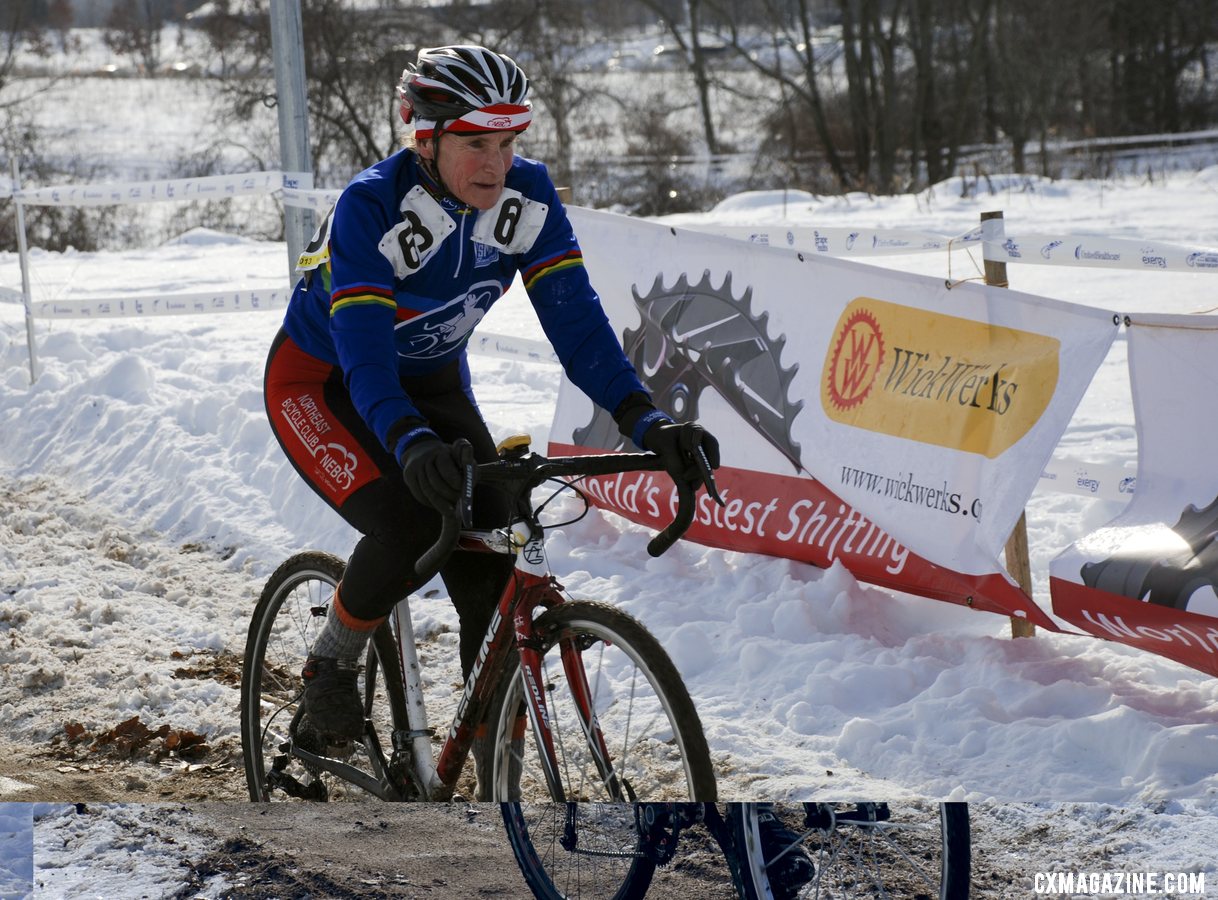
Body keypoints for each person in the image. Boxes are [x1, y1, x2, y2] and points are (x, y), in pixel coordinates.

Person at [262, 45, 720, 750]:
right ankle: (331, 662)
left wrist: (645, 418)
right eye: (476, 143)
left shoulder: (527, 198)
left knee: (492, 548)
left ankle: (487, 763)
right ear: (426, 135)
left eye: (508, 143)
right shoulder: (370, 207)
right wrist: (409, 443)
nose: (496, 165)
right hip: (326, 385)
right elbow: (365, 358)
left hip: (434, 381)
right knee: (412, 523)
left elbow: (579, 327)